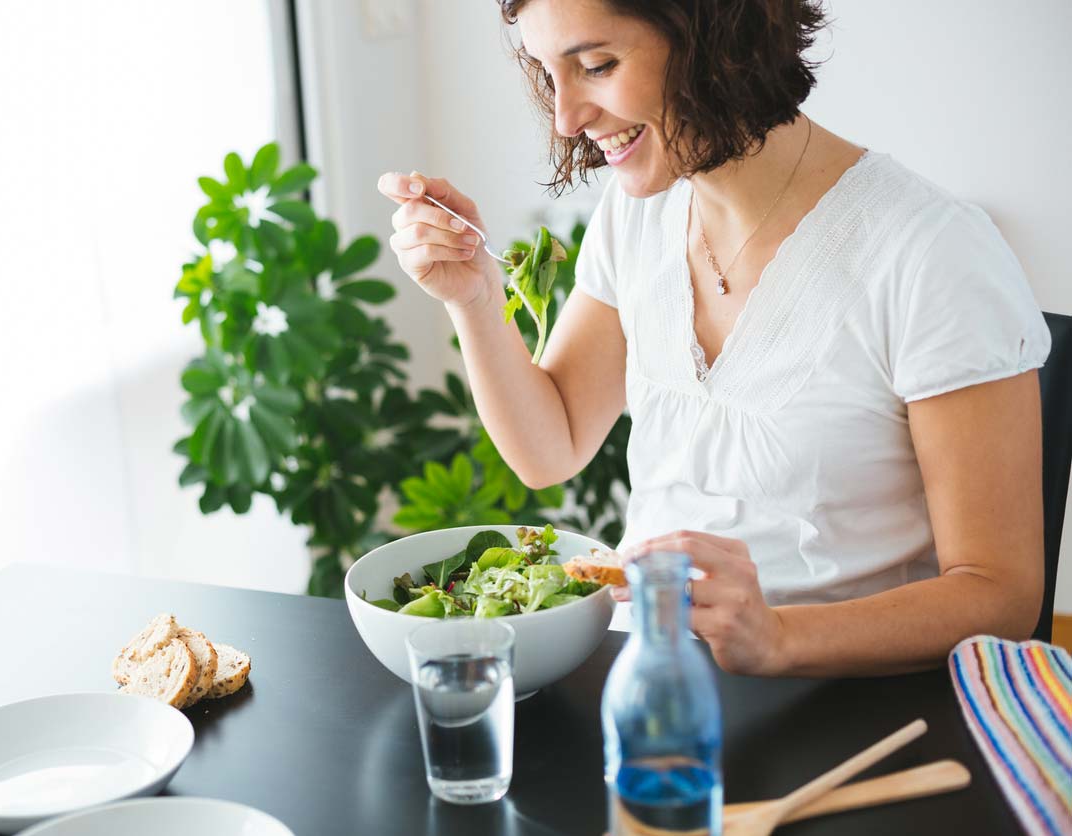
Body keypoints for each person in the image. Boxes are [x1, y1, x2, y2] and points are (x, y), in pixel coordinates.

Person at [376, 0, 1051, 678]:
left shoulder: (930, 252)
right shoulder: (638, 213)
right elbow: (550, 448)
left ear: (715, 33)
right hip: (649, 673)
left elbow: (1000, 594)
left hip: (850, 710)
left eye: (598, 66)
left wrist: (778, 636)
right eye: (549, 75)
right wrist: (475, 300)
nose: (565, 116)